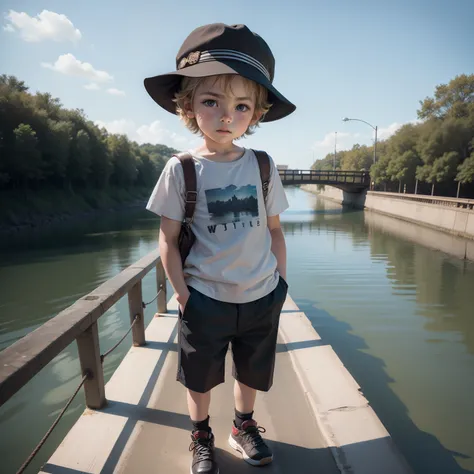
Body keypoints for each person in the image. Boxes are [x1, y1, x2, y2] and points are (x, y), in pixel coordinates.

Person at [144, 23, 295, 474]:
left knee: (251, 372)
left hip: (260, 297)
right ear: (189, 106)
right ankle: (201, 435)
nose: (226, 115)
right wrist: (184, 296)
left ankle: (243, 426)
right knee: (200, 376)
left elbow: (274, 232)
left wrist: (279, 285)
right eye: (212, 101)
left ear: (256, 114)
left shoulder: (263, 166)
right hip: (205, 298)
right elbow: (167, 240)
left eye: (241, 106)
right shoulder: (181, 169)